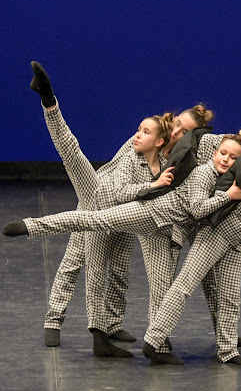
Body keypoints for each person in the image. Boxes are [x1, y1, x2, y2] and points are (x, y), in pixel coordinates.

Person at [4, 134, 241, 362]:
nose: (226, 159)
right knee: (95, 220)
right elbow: (198, 209)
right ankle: (32, 226)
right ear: (214, 152)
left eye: (233, 158)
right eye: (223, 153)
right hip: (150, 215)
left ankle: (159, 348)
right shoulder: (204, 174)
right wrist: (228, 196)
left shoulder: (223, 178)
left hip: (164, 232)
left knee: (161, 286)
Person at [28, 61, 214, 348]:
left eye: (186, 131)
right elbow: (116, 169)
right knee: (77, 259)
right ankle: (55, 318)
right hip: (103, 199)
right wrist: (144, 187)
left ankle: (112, 324)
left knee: (119, 269)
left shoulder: (180, 159)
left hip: (130, 213)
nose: (179, 132)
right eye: (178, 125)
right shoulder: (144, 140)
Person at [141, 124, 241, 365]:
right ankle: (153, 340)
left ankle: (227, 350)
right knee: (184, 285)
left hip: (236, 242)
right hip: (215, 235)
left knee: (230, 297)